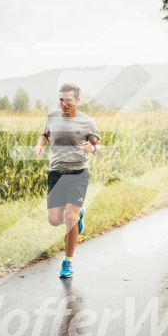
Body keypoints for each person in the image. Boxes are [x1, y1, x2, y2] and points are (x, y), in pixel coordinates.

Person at [34, 83, 102, 278]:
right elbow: (45, 134)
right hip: (56, 172)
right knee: (54, 220)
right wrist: (40, 146)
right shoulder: (52, 117)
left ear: (78, 101)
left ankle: (68, 262)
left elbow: (99, 146)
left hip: (78, 173)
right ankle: (80, 213)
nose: (63, 104)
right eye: (61, 99)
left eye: (68, 100)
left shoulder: (87, 122)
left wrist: (93, 149)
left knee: (70, 218)